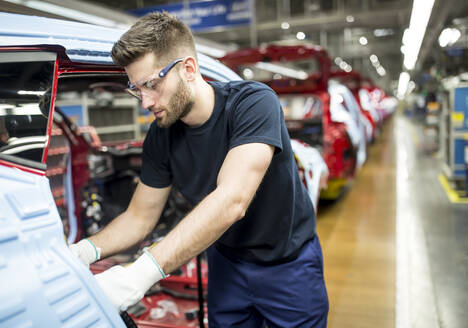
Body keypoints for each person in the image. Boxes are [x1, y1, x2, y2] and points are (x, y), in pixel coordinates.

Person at [70, 11, 328, 327]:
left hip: (288, 268)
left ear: (189, 69)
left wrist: (141, 273)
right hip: (227, 264)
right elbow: (139, 218)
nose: (145, 102)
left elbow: (232, 200)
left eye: (151, 84)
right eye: (136, 89)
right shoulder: (160, 135)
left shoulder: (253, 104)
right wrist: (82, 253)